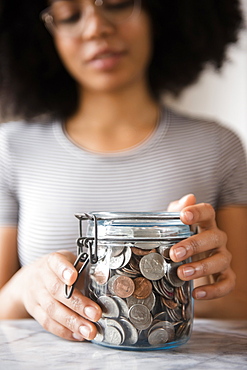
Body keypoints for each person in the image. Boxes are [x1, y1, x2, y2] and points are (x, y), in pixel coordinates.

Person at [0, 0, 247, 343]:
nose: (95, 28)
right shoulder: (10, 148)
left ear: (157, 13)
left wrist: (197, 283)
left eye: (116, 3)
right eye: (70, 15)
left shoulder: (219, 146)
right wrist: (25, 286)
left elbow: (240, 307)